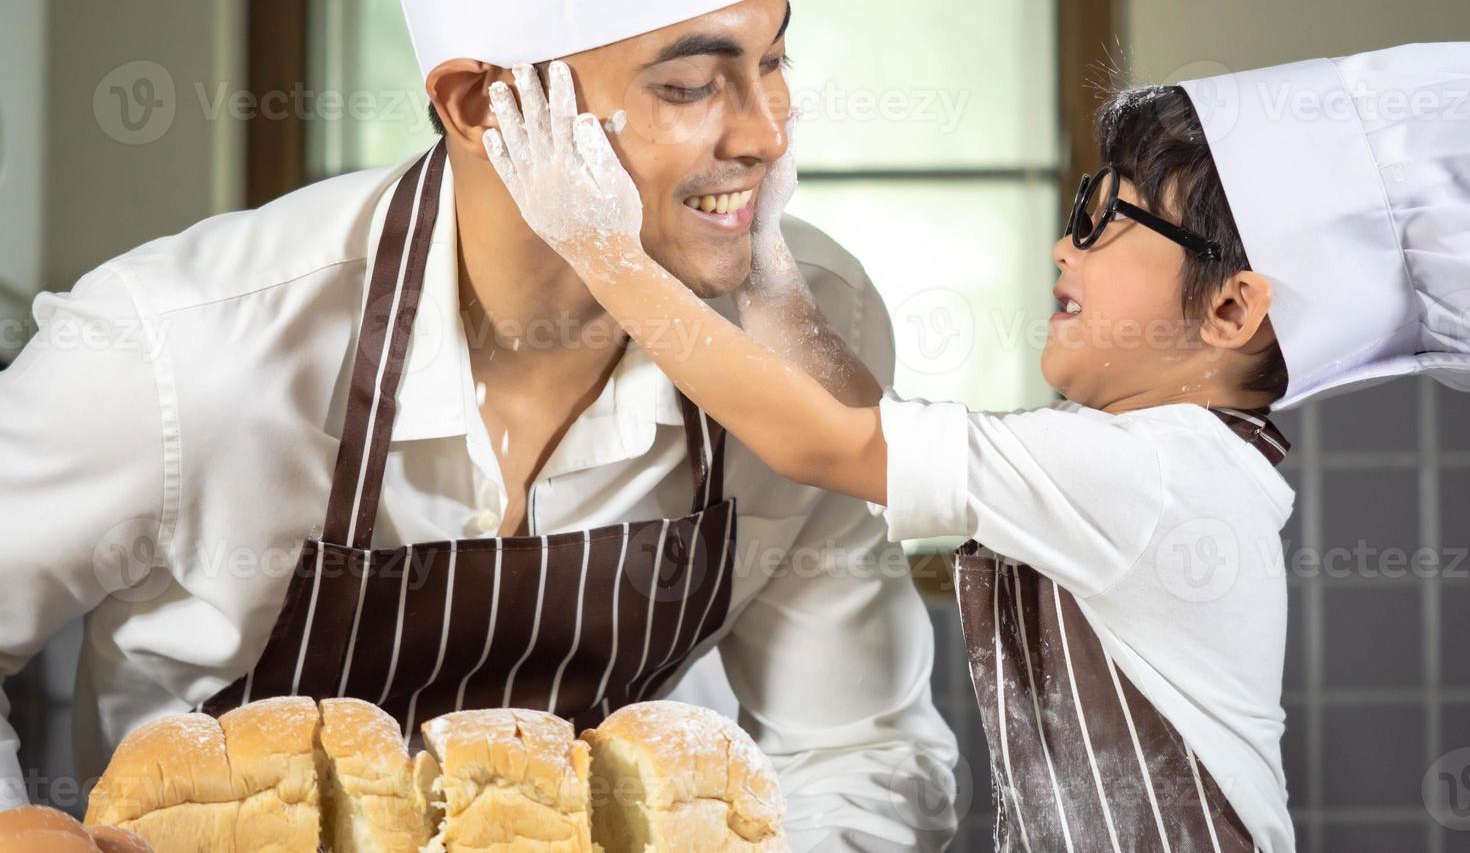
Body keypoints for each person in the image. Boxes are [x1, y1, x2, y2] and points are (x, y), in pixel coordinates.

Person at [0, 0, 961, 847]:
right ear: (476, 104)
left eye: (775, 59)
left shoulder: (805, 333)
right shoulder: (178, 350)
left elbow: (855, 745)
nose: (767, 132)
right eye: (688, 85)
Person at [482, 43, 1470, 852]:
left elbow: (820, 441)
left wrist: (598, 247)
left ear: (1228, 306)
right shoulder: (1145, 451)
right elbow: (870, 421)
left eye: (1107, 219)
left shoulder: (1160, 474)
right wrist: (769, 257)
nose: (1063, 245)